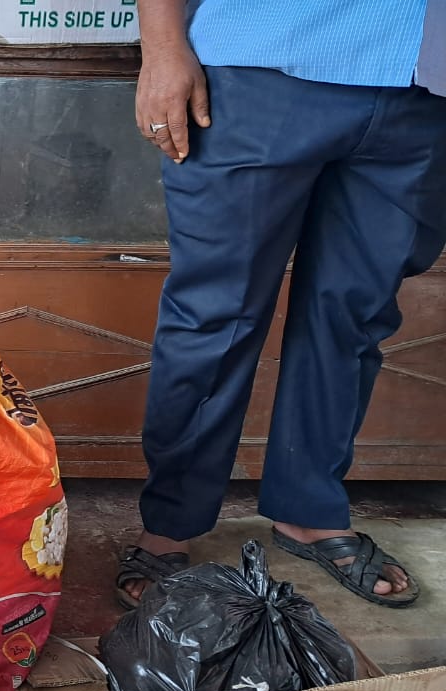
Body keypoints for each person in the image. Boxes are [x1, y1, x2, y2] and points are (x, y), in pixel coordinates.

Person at [117, 0, 446, 611]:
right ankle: (171, 521)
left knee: (352, 316)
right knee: (214, 314)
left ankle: (309, 510)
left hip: (424, 85)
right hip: (257, 65)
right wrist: (162, 46)